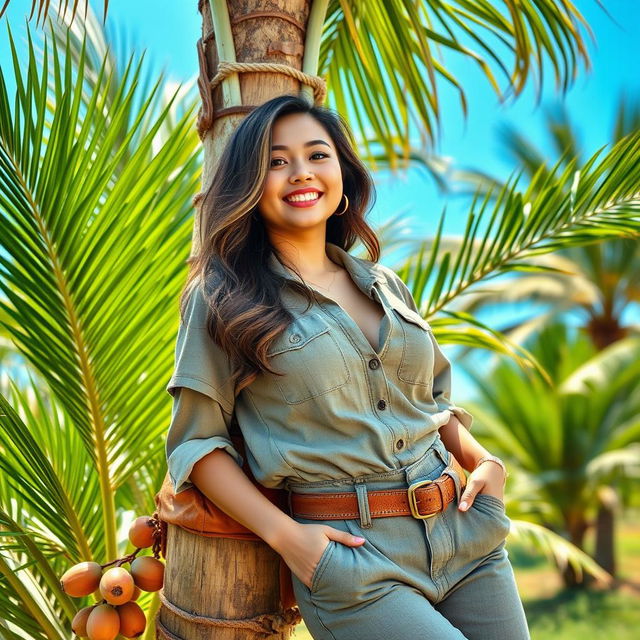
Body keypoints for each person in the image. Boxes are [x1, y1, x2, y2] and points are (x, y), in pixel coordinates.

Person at [164, 94, 531, 639]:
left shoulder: (386, 285)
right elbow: (196, 444)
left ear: (342, 172)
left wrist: (484, 461)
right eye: (276, 161)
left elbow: (429, 401)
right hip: (351, 556)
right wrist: (289, 538)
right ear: (249, 182)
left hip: (464, 532)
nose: (300, 173)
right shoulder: (222, 298)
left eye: (317, 155)